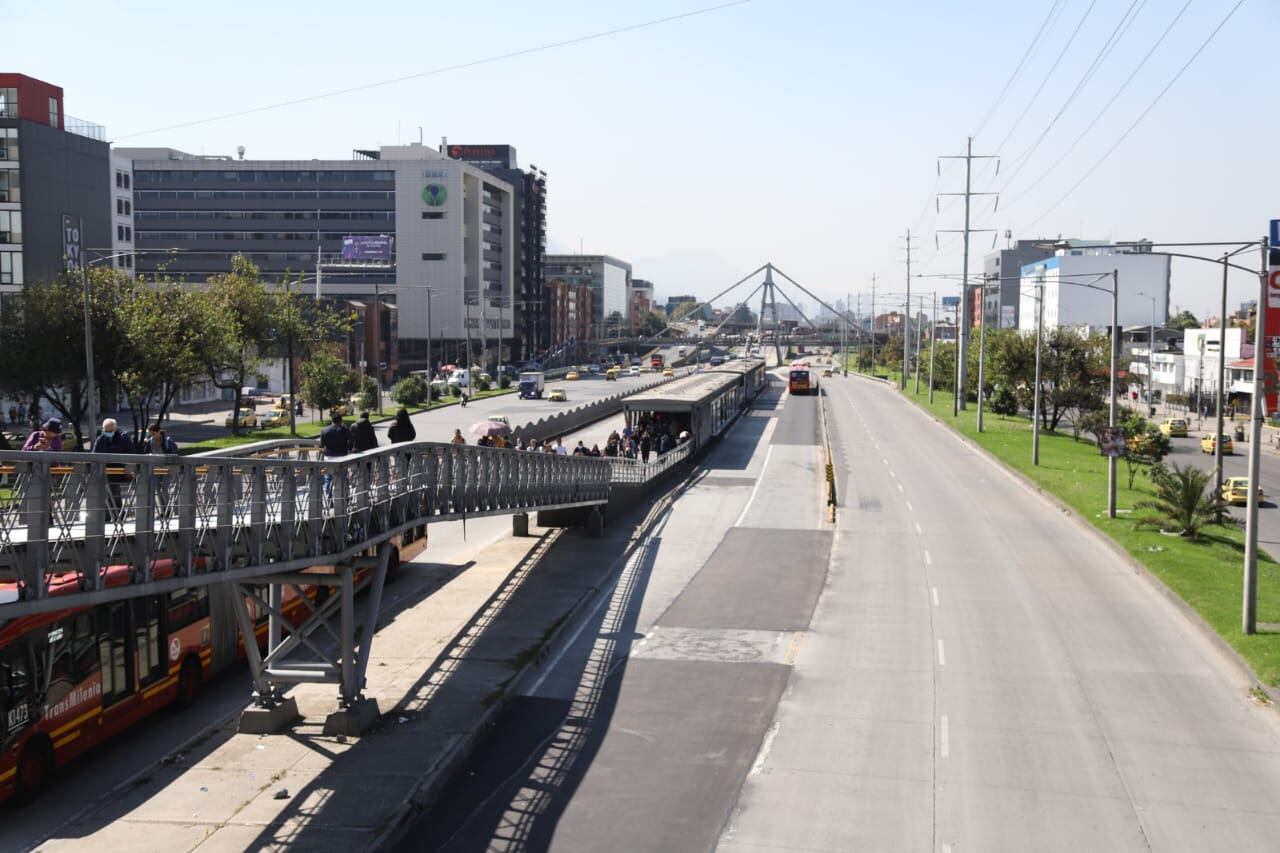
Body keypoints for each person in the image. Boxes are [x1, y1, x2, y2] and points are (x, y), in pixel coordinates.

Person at [93, 418, 136, 513]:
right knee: (107, 492)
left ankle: (115, 513)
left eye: (110, 431)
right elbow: (95, 455)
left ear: (115, 428)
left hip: (119, 471)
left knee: (113, 490)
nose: (108, 432)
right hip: (105, 471)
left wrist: (129, 468)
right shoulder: (101, 439)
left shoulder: (124, 438)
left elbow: (131, 454)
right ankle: (113, 514)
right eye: (106, 431)